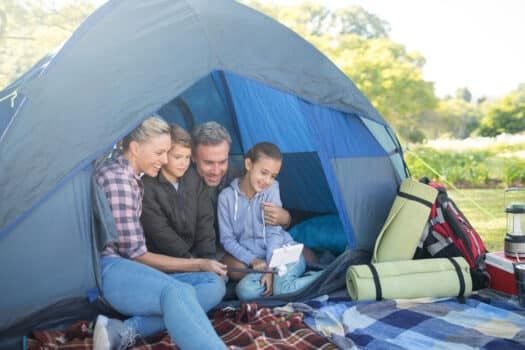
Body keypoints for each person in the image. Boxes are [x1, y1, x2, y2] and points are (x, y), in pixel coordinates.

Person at [92, 116, 227, 350]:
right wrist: (198, 263)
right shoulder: (119, 181)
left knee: (213, 285)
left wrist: (205, 264)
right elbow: (136, 255)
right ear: (135, 148)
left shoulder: (132, 177)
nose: (164, 160)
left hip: (134, 268)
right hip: (111, 270)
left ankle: (125, 331)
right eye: (159, 153)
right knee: (178, 292)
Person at [217, 142, 322, 300]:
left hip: (282, 254)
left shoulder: (272, 189)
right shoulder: (226, 198)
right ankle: (291, 283)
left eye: (273, 176)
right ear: (248, 164)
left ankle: (329, 276)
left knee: (282, 290)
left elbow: (274, 232)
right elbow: (227, 240)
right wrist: (253, 260)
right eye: (264, 173)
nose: (267, 180)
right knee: (245, 292)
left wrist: (271, 268)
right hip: (259, 262)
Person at [141, 124, 217, 260]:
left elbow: (205, 220)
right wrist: (189, 259)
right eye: (177, 157)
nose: (184, 163)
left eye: (187, 157)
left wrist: (208, 257)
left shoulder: (193, 178)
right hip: (167, 260)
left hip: (198, 255)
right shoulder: (148, 186)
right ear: (164, 155)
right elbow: (160, 232)